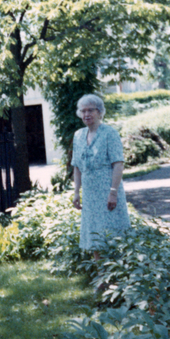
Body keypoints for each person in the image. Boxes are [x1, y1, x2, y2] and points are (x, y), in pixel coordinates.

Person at [71, 94, 130, 254]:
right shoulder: (78, 135)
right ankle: (101, 275)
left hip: (107, 190)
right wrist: (77, 192)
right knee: (94, 232)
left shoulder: (110, 133)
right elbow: (77, 166)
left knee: (112, 230)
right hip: (90, 193)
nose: (86, 114)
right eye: (83, 111)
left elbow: (118, 163)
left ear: (100, 112)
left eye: (90, 110)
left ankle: (120, 274)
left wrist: (113, 192)